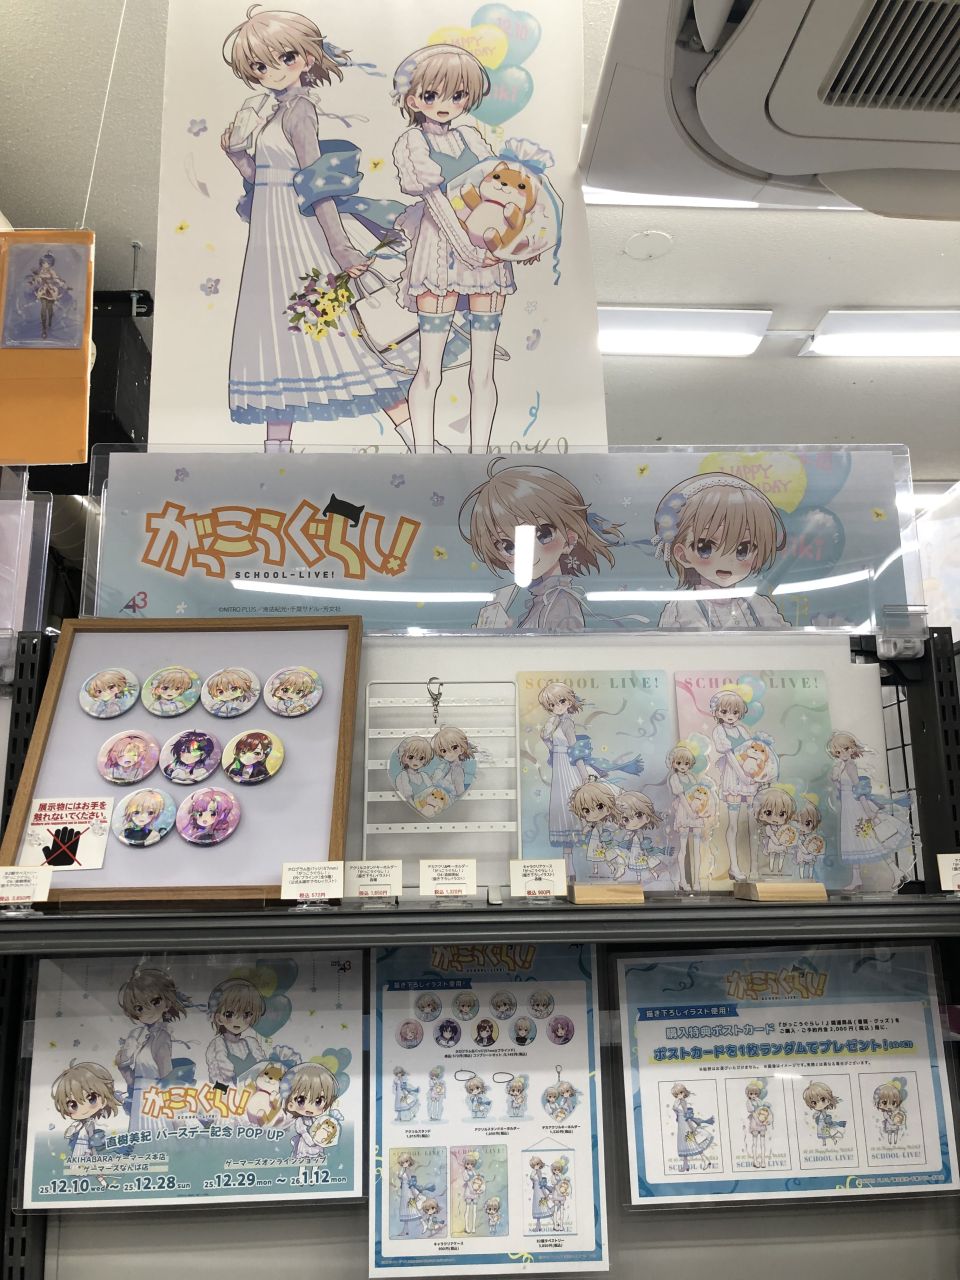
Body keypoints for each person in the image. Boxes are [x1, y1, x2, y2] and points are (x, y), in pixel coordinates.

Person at [221, 5, 411, 451]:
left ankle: (420, 440)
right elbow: (266, 180)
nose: (272, 71)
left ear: (307, 58)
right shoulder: (270, 113)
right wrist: (237, 156)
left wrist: (341, 247)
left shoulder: (300, 111)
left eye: (285, 57)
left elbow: (316, 183)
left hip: (301, 235)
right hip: (272, 238)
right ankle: (276, 453)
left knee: (339, 332)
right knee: (276, 337)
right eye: (260, 65)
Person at [655, 473, 789, 630]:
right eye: (705, 548)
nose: (726, 561)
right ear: (683, 555)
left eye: (743, 550)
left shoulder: (760, 606)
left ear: (756, 555)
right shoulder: (683, 609)